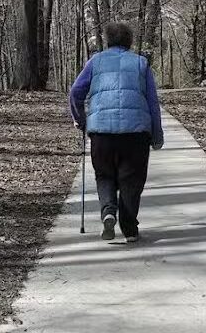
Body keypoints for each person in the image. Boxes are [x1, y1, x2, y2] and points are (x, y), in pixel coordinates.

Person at [69, 22, 164, 243]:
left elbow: (75, 92)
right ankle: (129, 229)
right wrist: (157, 135)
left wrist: (80, 119)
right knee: (132, 180)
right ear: (129, 41)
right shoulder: (140, 63)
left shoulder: (95, 62)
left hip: (101, 132)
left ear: (108, 40)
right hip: (135, 133)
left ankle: (108, 212)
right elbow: (152, 103)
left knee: (105, 175)